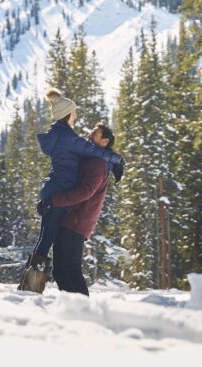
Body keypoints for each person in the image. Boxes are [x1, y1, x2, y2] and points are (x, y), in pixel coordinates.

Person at [17, 88, 122, 292]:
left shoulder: (59, 135)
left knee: (48, 242)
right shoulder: (67, 137)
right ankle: (30, 288)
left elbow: (91, 159)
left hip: (55, 190)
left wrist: (110, 162)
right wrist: (116, 160)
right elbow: (91, 150)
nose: (76, 117)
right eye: (73, 112)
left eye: (94, 133)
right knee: (47, 241)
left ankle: (32, 288)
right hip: (58, 192)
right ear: (67, 114)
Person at [51, 123, 122, 296]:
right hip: (71, 219)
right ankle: (72, 309)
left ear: (104, 141)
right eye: (91, 132)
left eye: (95, 134)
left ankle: (84, 311)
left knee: (70, 269)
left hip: (77, 221)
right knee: (60, 270)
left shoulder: (98, 164)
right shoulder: (92, 159)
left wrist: (55, 200)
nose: (90, 136)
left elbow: (85, 192)